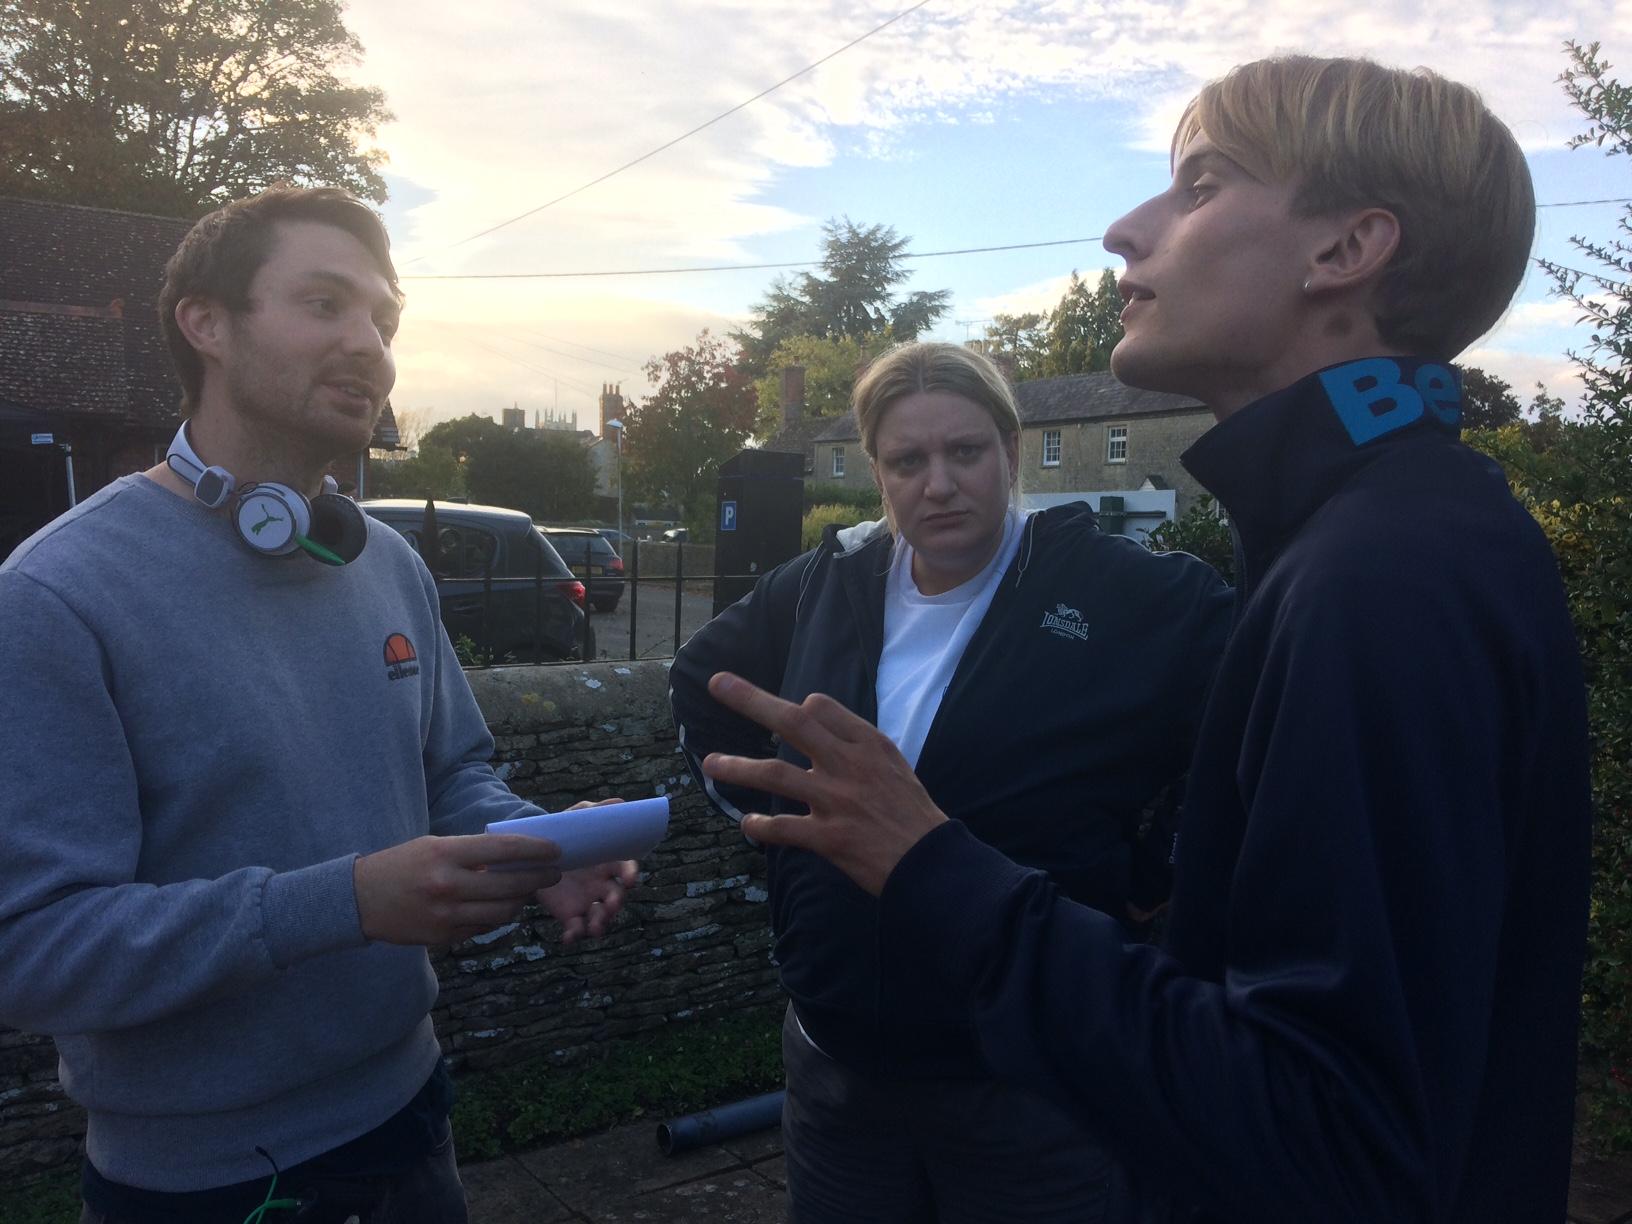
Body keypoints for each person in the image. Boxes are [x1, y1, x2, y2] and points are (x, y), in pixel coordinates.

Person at [697, 55, 1592, 1223]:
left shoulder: (1388, 576)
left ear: (1343, 251)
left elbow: (1330, 1140)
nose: (1126, 231)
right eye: (903, 462)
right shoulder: (1371, 530)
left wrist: (931, 863)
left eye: (1201, 185)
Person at [0, 185, 638, 1223]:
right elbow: (32, 951)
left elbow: (452, 774)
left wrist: (539, 849)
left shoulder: (385, 562)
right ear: (205, 323)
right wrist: (341, 903)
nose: (371, 346)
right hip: (201, 1184)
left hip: (411, 1117)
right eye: (326, 304)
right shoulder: (55, 597)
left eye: (384, 320)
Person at [670, 340, 1232, 1221]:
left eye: (965, 452)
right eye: (908, 461)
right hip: (836, 1062)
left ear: (1010, 451)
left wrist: (1152, 876)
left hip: (1028, 1076)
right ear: (878, 473)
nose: (939, 484)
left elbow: (1245, 729)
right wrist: (787, 834)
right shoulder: (827, 580)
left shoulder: (1128, 591)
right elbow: (699, 685)